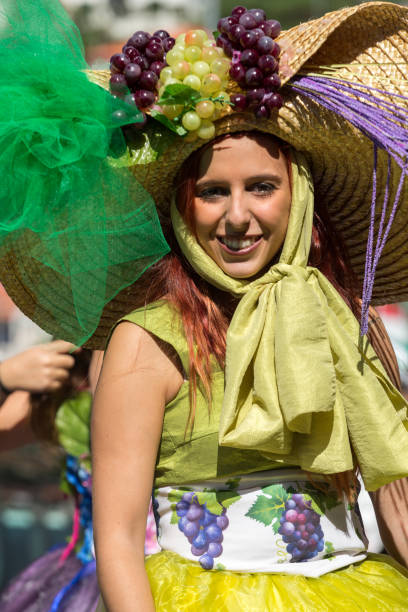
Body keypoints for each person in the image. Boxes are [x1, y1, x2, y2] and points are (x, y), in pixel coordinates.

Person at [1, 1, 408, 611]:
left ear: (300, 200)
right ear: (182, 211)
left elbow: (397, 501)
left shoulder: (351, 320)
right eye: (213, 192)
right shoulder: (148, 341)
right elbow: (116, 541)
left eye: (262, 187)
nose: (237, 216)